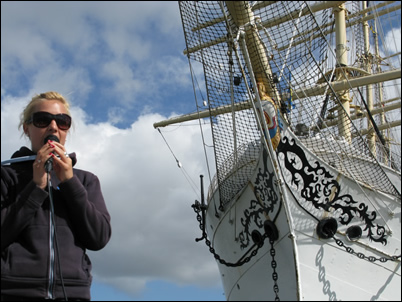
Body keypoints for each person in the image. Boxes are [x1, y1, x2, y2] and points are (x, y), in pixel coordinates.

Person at [1, 91, 112, 301]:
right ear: (27, 128)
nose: (53, 127)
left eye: (62, 121)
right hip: (13, 292)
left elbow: (99, 238)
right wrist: (36, 187)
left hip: (72, 294)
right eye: (42, 120)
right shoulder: (5, 177)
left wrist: (70, 183)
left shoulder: (86, 181)